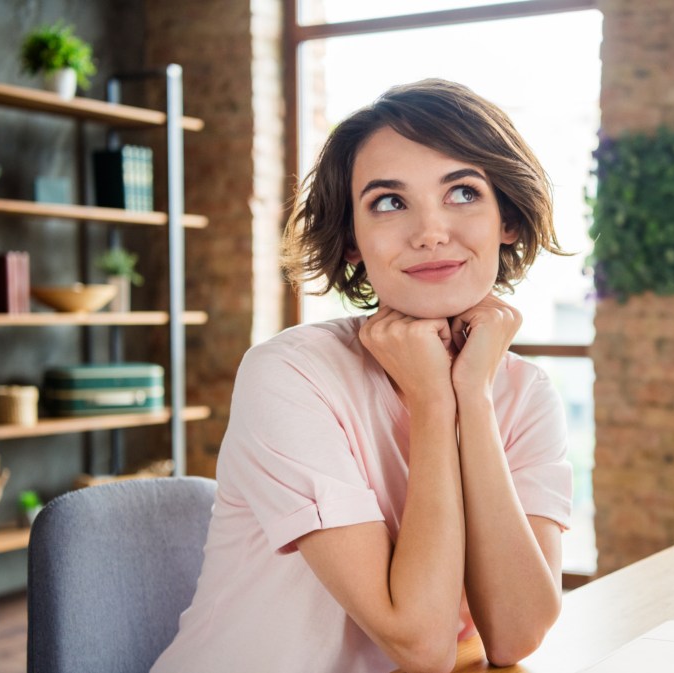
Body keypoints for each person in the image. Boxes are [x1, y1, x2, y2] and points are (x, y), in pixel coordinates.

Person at [151, 79, 573, 673]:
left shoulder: (523, 392)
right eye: (390, 202)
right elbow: (421, 644)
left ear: (506, 217)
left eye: (462, 192)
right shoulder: (289, 376)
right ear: (352, 239)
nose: (430, 231)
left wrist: (471, 398)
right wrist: (432, 403)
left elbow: (514, 635)